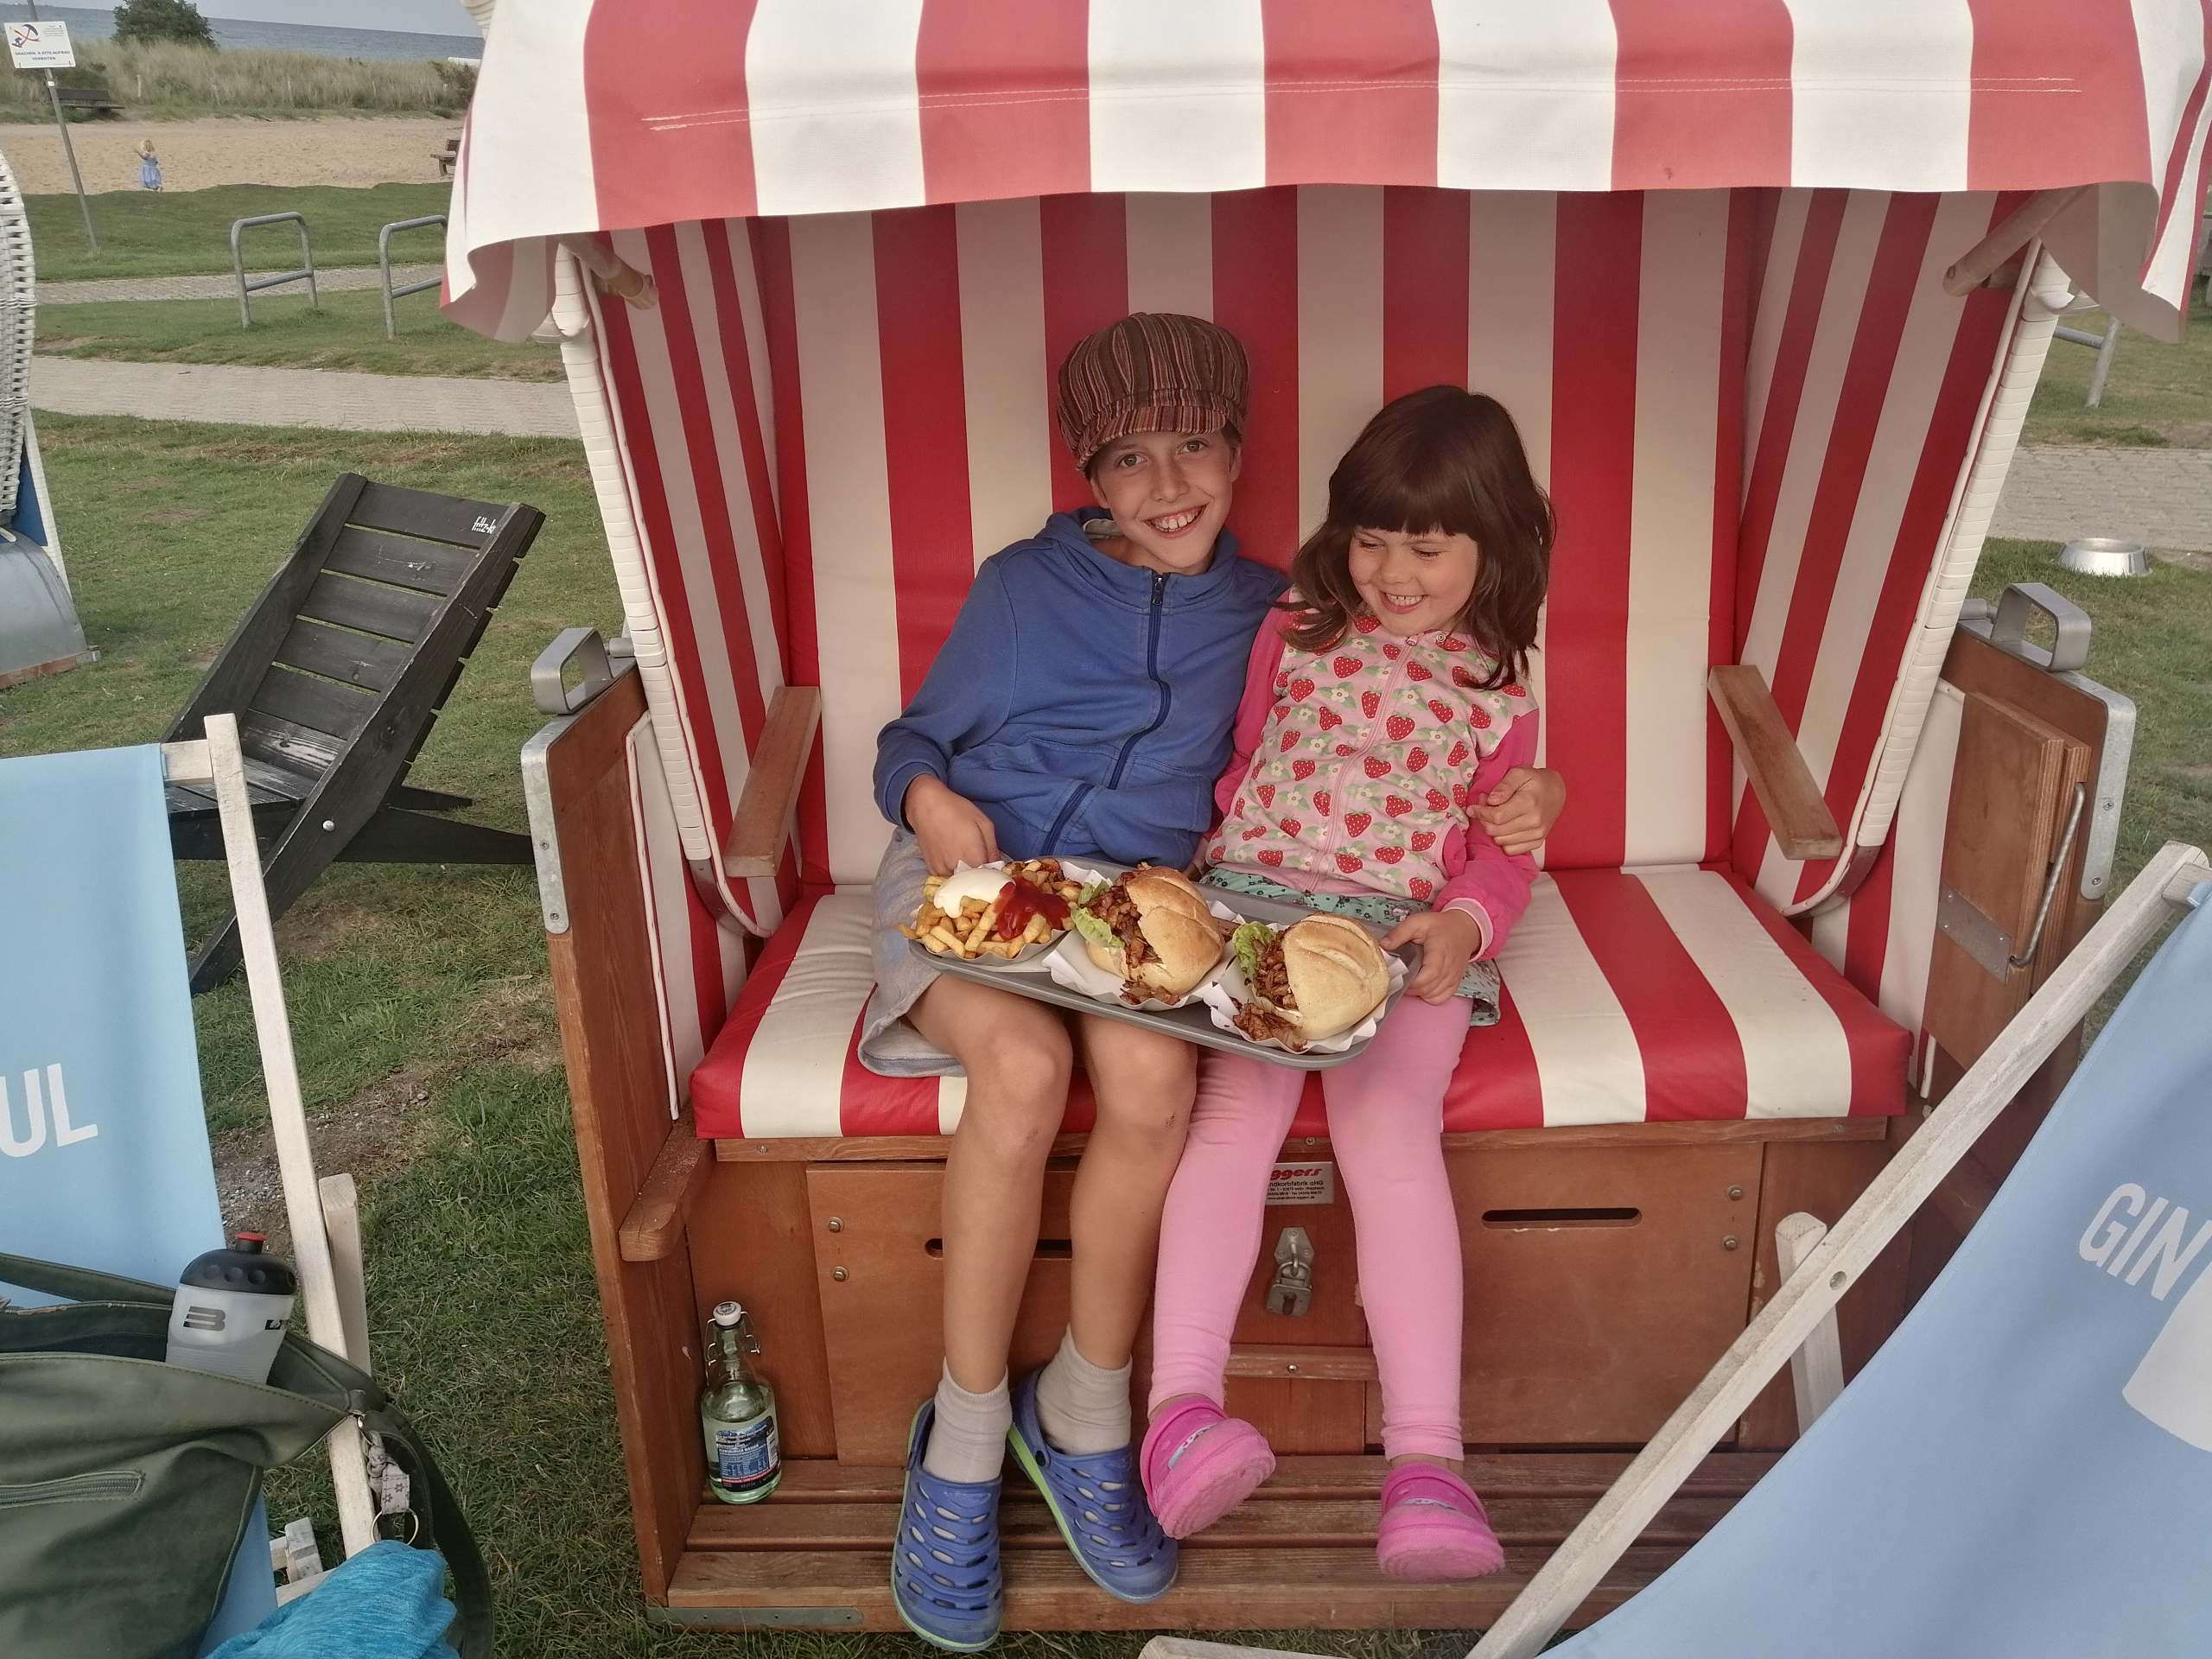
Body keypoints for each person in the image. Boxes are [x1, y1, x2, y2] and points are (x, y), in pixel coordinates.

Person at [869, 319, 1564, 1648]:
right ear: (1090, 473)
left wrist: (1536, 799)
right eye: (1129, 457)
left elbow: (1457, 725)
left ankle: (1086, 1411)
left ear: (1243, 453)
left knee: (1154, 1081)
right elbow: (912, 733)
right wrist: (929, 796)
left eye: (1195, 445)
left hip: (1137, 909)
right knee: (1021, 1075)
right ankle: (959, 1444)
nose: (1167, 482)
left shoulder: (1277, 611)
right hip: (983, 879)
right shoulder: (1025, 586)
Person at [1141, 385, 1554, 1583]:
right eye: (1372, 540)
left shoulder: (1498, 686)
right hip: (1261, 909)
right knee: (1233, 1119)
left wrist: (1468, 928)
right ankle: (1181, 1416)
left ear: (1493, 546)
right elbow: (1241, 761)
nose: (1393, 572)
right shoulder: (1297, 628)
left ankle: (1427, 1465)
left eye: (1427, 548)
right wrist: (1205, 885)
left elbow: (1497, 854)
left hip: (1404, 938)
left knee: (1390, 1129)